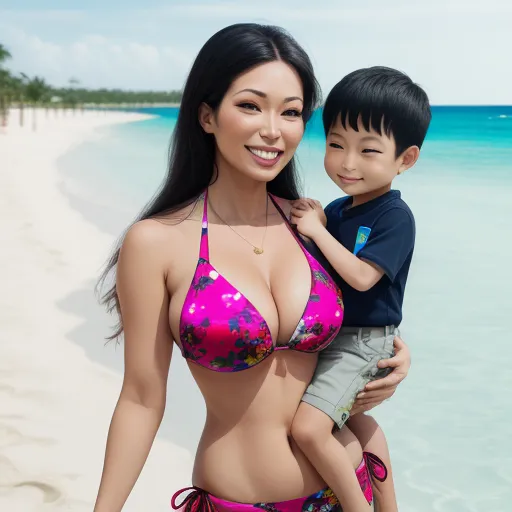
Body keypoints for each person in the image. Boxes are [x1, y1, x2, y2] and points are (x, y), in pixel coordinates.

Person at [93, 25, 412, 512]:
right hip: (233, 500)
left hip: (351, 489)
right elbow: (141, 396)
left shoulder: (312, 224)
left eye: (291, 112)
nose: (273, 129)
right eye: (250, 105)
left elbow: (368, 314)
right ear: (207, 115)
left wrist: (395, 361)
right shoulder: (157, 241)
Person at [289, 66, 431, 511]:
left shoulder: (394, 217)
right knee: (355, 424)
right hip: (335, 336)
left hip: (363, 343)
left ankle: (356, 506)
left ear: (404, 160)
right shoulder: (338, 208)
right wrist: (315, 218)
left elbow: (363, 276)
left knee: (309, 428)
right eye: (335, 145)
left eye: (368, 150)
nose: (347, 163)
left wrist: (318, 229)